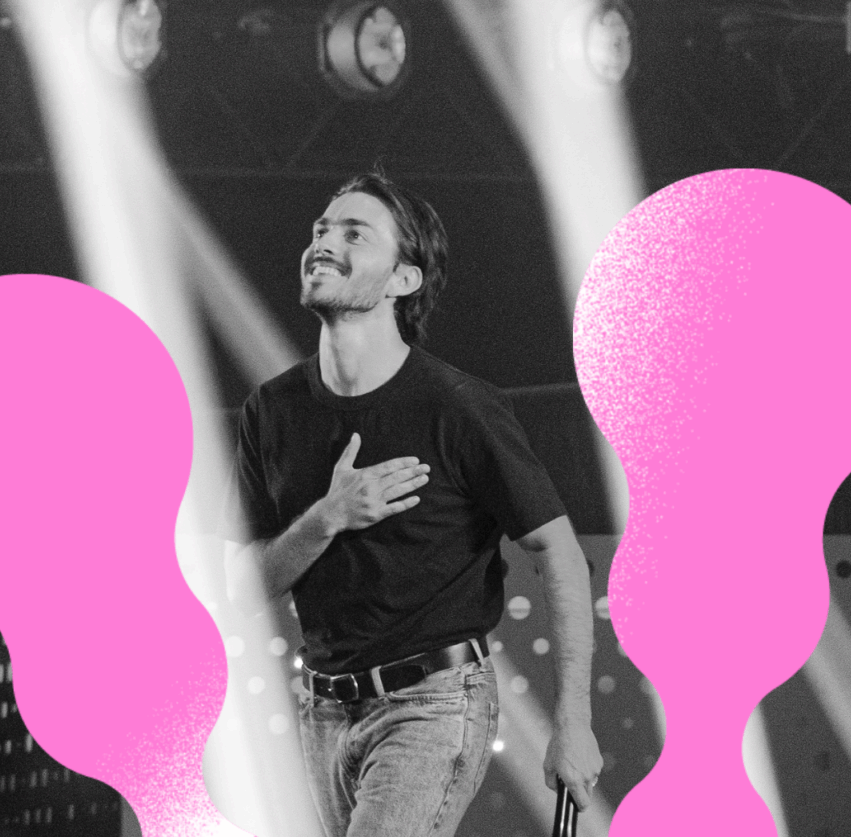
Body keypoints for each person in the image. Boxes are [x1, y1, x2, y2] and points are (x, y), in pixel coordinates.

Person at [226, 171, 603, 836]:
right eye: (321, 230)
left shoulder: (456, 405)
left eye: (354, 234)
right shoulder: (271, 411)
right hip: (323, 709)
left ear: (404, 279)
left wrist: (574, 720)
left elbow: (558, 551)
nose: (323, 244)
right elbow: (241, 585)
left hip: (434, 702)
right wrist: (328, 517)